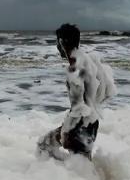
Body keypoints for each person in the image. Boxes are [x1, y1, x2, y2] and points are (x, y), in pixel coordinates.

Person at [38, 24, 116, 160]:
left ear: (61, 42)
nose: (57, 47)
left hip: (80, 126)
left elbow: (78, 108)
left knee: (44, 145)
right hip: (92, 122)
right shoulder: (90, 60)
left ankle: (57, 176)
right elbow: (108, 90)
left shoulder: (75, 70)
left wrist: (66, 132)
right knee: (82, 165)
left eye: (57, 42)